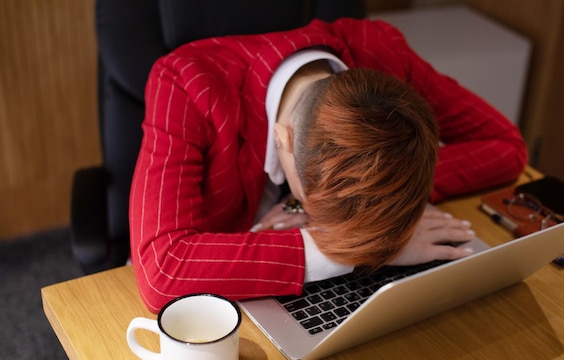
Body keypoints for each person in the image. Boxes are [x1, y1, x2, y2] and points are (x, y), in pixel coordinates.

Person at [129, 18, 527, 313]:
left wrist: (396, 191)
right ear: (284, 139)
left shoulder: (382, 53)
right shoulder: (186, 81)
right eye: (311, 205)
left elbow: (506, 147)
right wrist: (363, 249)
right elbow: (162, 269)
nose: (311, 213)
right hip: (214, 294)